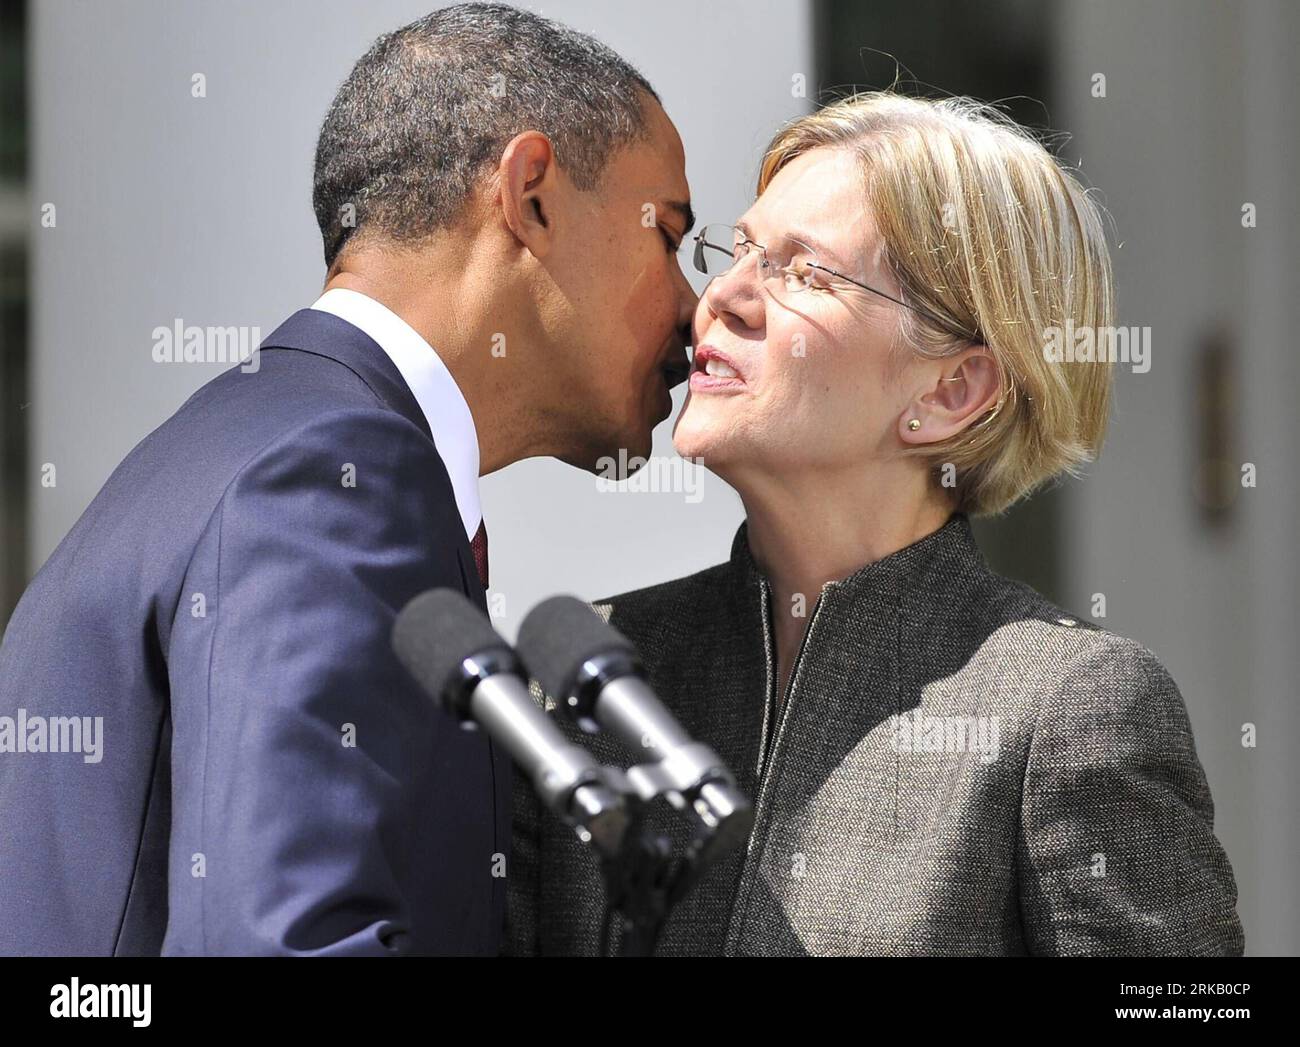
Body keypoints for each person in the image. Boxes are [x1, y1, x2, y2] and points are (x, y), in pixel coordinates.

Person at [0, 4, 695, 955]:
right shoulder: (331, 476)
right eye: (669, 232)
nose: (696, 308)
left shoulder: (242, 448)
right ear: (532, 193)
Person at [505, 91, 1245, 956]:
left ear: (950, 391)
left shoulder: (1067, 708)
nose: (723, 299)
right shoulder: (593, 668)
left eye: (803, 272)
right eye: (740, 251)